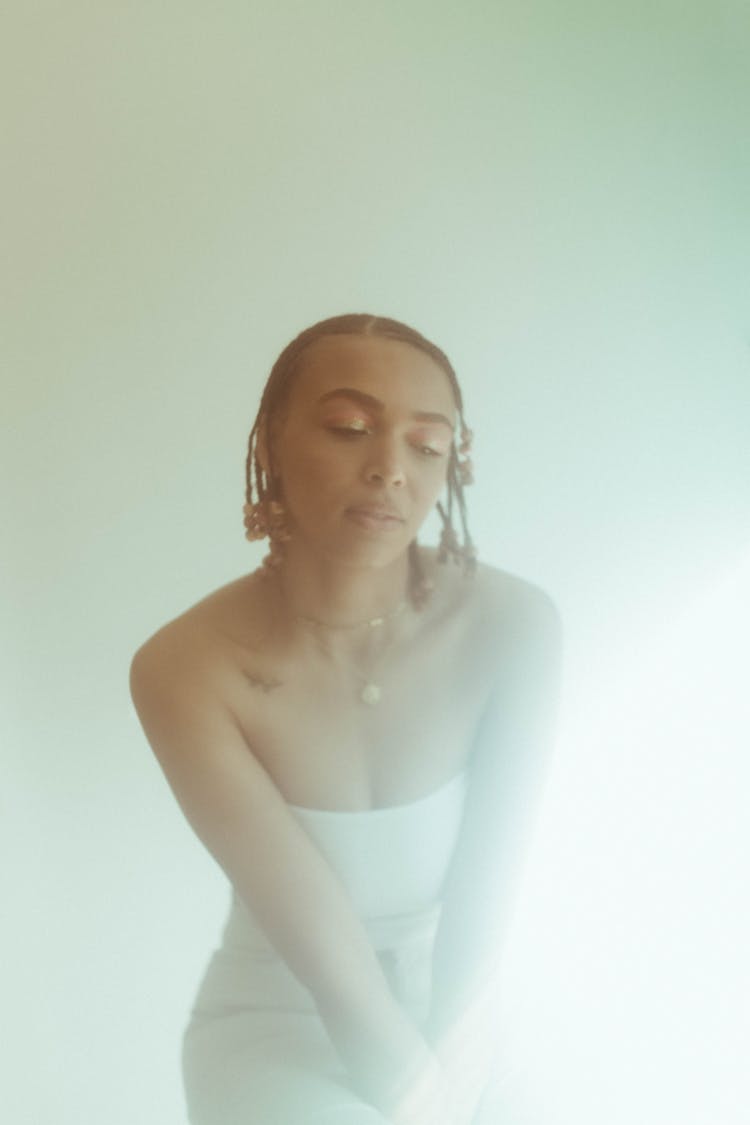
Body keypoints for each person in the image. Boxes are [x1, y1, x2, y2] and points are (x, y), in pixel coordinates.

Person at [130, 313, 561, 1124]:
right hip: (277, 1027)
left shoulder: (514, 625)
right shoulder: (185, 665)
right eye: (350, 428)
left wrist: (460, 1076)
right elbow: (333, 969)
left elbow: (485, 894)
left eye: (428, 445)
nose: (390, 469)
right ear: (270, 447)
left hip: (463, 1019)